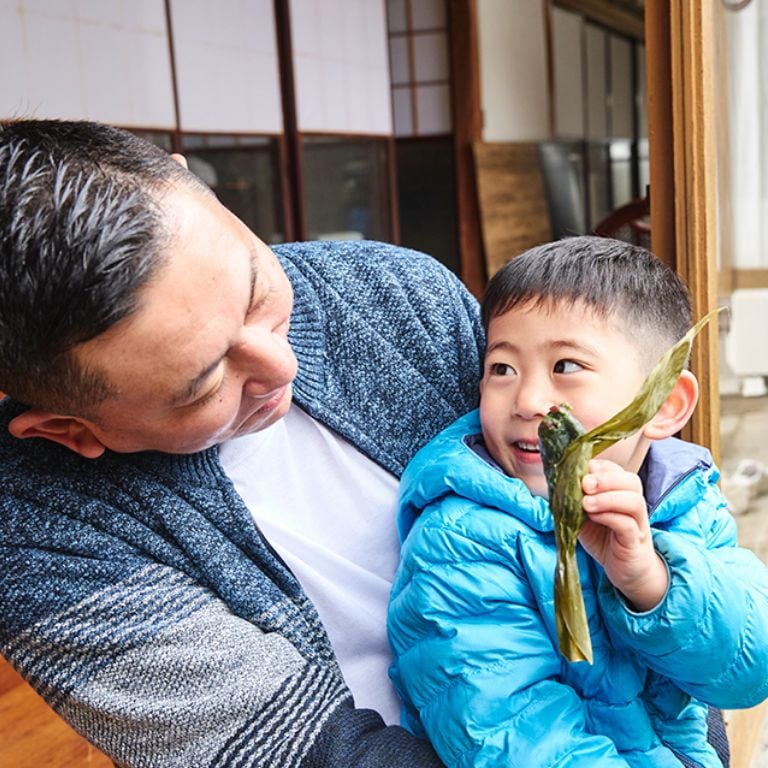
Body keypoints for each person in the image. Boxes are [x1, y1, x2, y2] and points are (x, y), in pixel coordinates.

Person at [0, 119, 486, 767]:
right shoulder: (31, 529)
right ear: (72, 431)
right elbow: (310, 756)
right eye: (203, 386)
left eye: (257, 287)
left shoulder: (398, 293)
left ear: (194, 183)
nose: (279, 365)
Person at [387, 237, 768, 767]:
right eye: (502, 369)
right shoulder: (460, 539)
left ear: (663, 404)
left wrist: (653, 583)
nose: (527, 401)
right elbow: (515, 742)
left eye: (565, 366)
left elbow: (749, 670)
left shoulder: (685, 498)